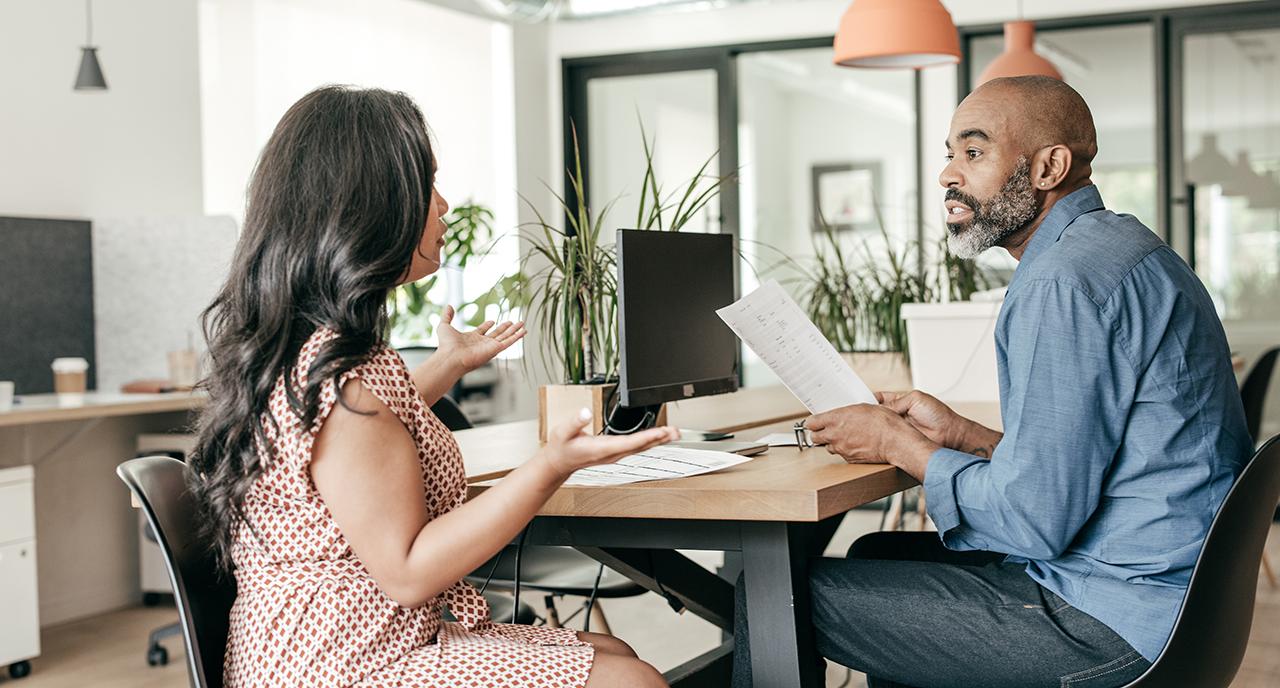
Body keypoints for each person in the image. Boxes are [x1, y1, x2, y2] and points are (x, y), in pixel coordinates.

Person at [732, 76, 1251, 687]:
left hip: (1110, 622)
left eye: (973, 153)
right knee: (878, 556)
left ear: (1048, 166)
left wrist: (901, 445)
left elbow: (1035, 520)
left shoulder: (1063, 282)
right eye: (950, 154)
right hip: (1183, 606)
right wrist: (964, 435)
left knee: (770, 598)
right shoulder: (1122, 247)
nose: (948, 175)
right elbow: (1085, 466)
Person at [188, 85, 676, 688]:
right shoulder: (342, 386)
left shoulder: (330, 351)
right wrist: (551, 464)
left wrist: (446, 368)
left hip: (354, 639)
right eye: (427, 186)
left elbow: (367, 448)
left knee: (617, 653)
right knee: (633, 681)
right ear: (370, 207)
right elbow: (410, 571)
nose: (443, 206)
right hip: (338, 665)